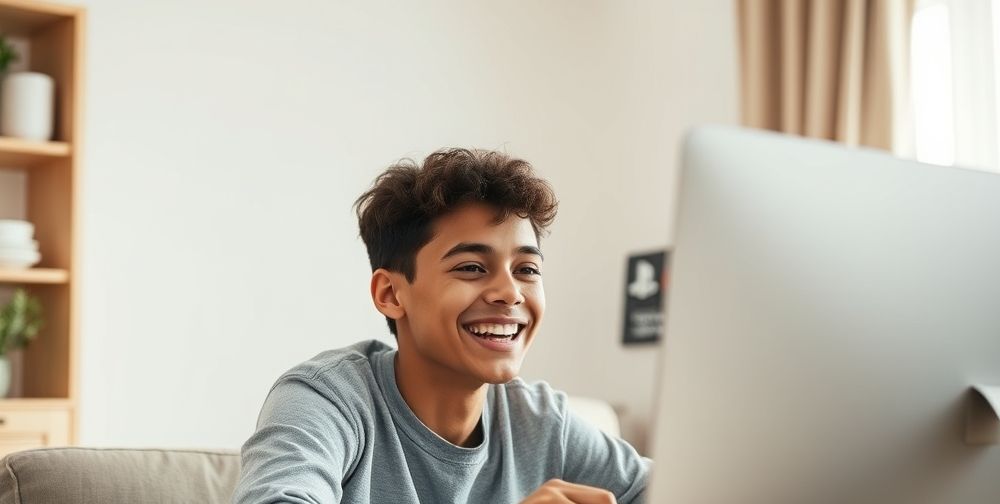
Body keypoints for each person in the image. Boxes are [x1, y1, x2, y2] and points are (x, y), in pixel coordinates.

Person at [233, 149, 650, 503]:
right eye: (471, 267)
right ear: (392, 295)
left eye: (526, 269)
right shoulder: (327, 400)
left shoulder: (540, 421)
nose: (510, 292)